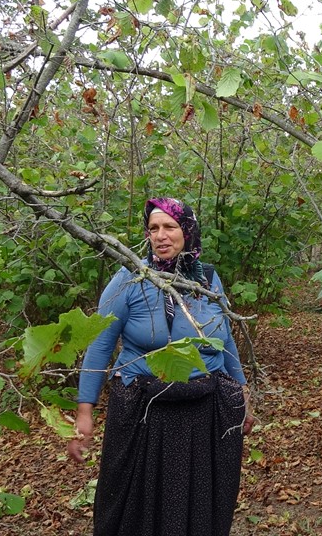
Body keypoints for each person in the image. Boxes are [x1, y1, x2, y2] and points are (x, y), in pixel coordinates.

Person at [67, 197, 254, 536]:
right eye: (153, 228)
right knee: (135, 503)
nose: (160, 235)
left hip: (205, 408)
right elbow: (100, 345)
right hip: (145, 408)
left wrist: (241, 391)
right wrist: (85, 410)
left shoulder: (208, 280)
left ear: (188, 231)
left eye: (170, 226)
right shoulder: (129, 279)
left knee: (201, 499)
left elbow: (225, 340)